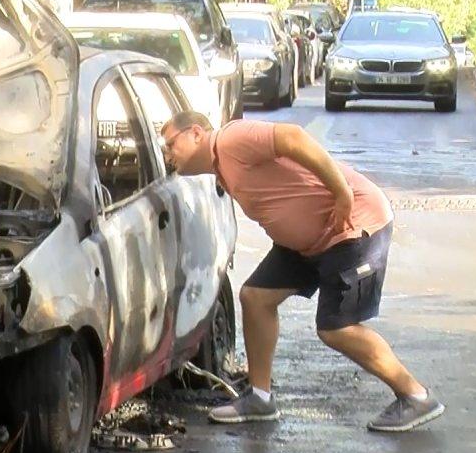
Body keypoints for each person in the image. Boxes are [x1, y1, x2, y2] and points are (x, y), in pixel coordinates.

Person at [160, 110, 444, 432]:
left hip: (350, 226)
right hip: (306, 244)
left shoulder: (231, 139)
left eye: (170, 144)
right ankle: (260, 398)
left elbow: (293, 137)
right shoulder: (221, 166)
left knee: (337, 328)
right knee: (255, 299)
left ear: (196, 133)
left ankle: (415, 395)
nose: (167, 154)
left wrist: (341, 192)